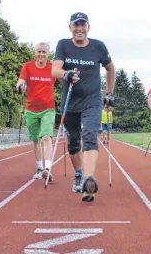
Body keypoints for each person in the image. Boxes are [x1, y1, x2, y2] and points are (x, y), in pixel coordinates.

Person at [52, 12, 115, 202]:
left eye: (83, 24)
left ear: (88, 27)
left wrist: (109, 94)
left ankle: (88, 180)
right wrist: (67, 74)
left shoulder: (98, 46)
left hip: (92, 102)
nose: (79, 28)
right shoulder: (63, 45)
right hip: (70, 102)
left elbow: (111, 68)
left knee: (89, 136)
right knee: (72, 143)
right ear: (70, 27)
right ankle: (78, 173)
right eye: (75, 25)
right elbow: (55, 70)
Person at [16, 42, 56, 181]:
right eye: (39, 52)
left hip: (48, 109)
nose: (41, 54)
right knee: (35, 140)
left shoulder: (53, 68)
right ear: (35, 54)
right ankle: (39, 168)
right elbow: (20, 81)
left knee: (46, 137)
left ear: (48, 54)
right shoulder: (28, 66)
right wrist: (21, 86)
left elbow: (64, 76)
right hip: (31, 109)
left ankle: (48, 168)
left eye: (44, 52)